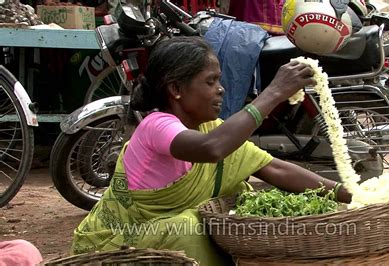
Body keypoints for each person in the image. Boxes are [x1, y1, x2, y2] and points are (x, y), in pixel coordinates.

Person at [71, 36, 352, 265]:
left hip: (159, 241)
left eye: (219, 80)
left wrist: (353, 194)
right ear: (177, 88)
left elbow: (274, 168)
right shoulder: (156, 126)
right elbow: (212, 149)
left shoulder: (214, 129)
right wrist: (273, 93)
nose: (221, 90)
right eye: (210, 81)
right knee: (193, 228)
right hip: (118, 245)